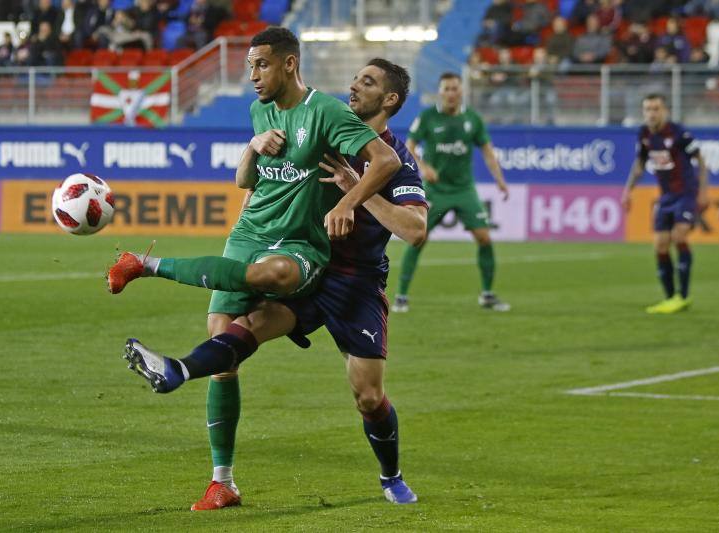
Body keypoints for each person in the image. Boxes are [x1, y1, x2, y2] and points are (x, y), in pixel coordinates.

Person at [121, 57, 425, 509]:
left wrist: (355, 192)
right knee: (241, 332)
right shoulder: (324, 126)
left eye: (367, 81)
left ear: (391, 99)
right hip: (305, 267)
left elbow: (415, 230)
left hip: (354, 284)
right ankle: (177, 372)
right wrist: (256, 152)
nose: (353, 85)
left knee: (368, 396)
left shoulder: (397, 160)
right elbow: (264, 179)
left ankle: (391, 476)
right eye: (355, 76)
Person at [107, 27, 400, 303]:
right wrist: (252, 146)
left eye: (261, 65)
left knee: (271, 280)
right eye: (250, 66)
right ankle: (143, 274)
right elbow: (245, 181)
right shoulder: (258, 109)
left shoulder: (325, 111)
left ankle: (148, 264)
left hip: (298, 241)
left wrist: (347, 203)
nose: (252, 76)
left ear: (289, 64)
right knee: (221, 336)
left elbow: (386, 160)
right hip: (250, 231)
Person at [392, 72, 511, 313]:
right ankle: (401, 296)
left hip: (464, 189)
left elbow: (487, 151)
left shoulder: (472, 120)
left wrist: (500, 180)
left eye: (455, 88)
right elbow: (408, 148)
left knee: (484, 238)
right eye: (446, 88)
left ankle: (487, 294)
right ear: (440, 92)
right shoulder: (427, 118)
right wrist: (424, 167)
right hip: (436, 191)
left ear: (461, 91)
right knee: (418, 240)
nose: (451, 93)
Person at [621, 93, 708, 314]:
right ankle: (670, 298)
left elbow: (701, 160)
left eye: (656, 109)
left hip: (686, 193)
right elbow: (639, 165)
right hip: (666, 196)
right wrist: (627, 191)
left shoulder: (678, 133)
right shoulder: (644, 134)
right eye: (648, 109)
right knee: (660, 245)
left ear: (665, 110)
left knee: (679, 236)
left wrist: (704, 193)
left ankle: (683, 296)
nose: (651, 113)